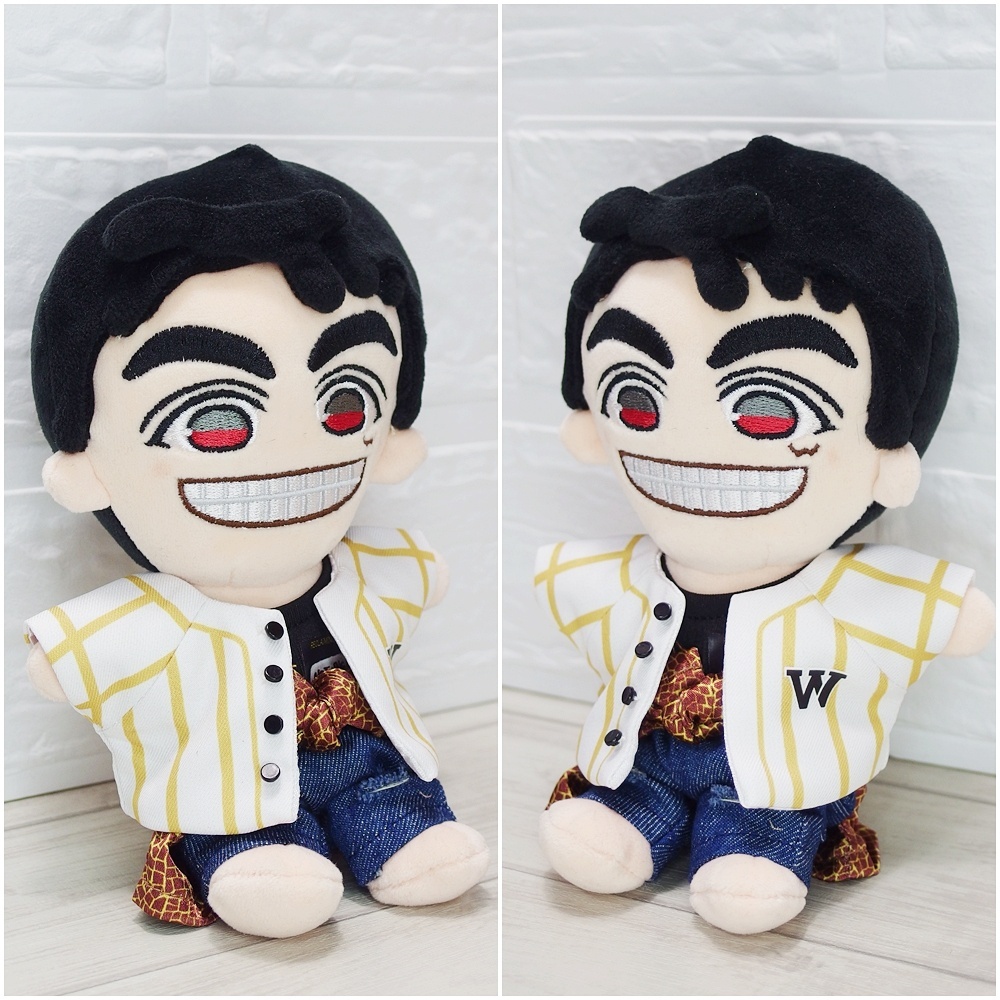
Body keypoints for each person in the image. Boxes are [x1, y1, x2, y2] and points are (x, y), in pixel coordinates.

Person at [25, 145, 488, 939]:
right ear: (89, 464)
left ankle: (397, 832)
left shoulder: (371, 571)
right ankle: (260, 860)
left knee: (406, 821)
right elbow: (60, 663)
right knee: (255, 849)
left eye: (345, 407)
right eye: (214, 421)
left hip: (372, 768)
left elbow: (425, 575)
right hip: (230, 798)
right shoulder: (156, 620)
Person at [536, 136, 994, 935]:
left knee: (759, 832)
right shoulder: (629, 572)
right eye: (636, 400)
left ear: (886, 441)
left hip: (781, 781)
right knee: (616, 812)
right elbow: (565, 581)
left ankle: (752, 851)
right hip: (646, 758)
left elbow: (953, 616)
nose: (685, 445)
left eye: (769, 411)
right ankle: (630, 820)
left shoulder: (850, 591)